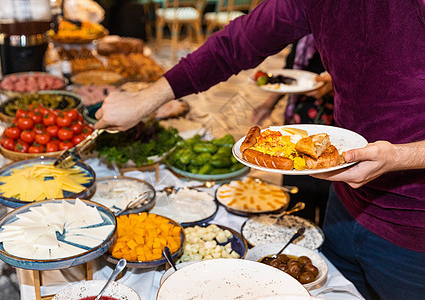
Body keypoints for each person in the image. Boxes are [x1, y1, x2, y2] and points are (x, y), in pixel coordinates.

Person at [94, 1, 425, 299]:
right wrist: (144, 100)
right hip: (345, 203)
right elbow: (236, 44)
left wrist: (399, 156)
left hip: (414, 233)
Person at [252, 34, 334, 226]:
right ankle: (296, 241)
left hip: (332, 121)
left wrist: (334, 82)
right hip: (297, 118)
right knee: (296, 184)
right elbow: (291, 75)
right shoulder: (306, 26)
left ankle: (323, 240)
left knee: (327, 187)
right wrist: (269, 103)